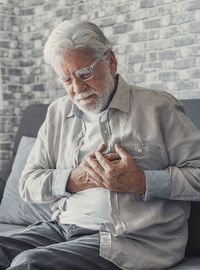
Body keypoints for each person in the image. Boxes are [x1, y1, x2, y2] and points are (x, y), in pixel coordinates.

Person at [0, 20, 200, 270]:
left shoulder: (159, 108)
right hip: (63, 227)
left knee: (29, 264)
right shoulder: (57, 113)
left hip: (129, 238)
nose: (77, 89)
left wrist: (142, 181)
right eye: (66, 79)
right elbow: (28, 184)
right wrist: (73, 179)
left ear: (110, 61)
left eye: (84, 74)